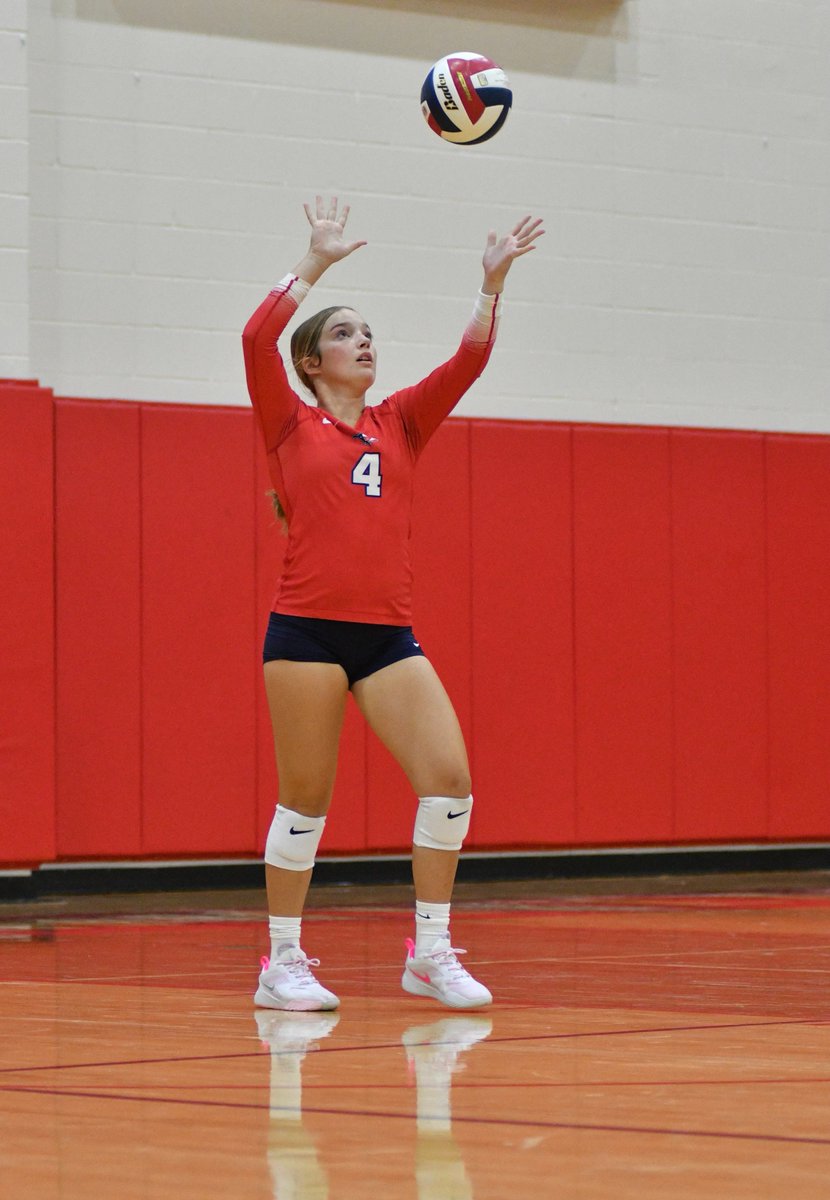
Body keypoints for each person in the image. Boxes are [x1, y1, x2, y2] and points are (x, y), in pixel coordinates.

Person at [243, 196, 543, 1012]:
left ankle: (430, 952)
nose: (363, 340)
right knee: (305, 799)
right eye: (343, 333)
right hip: (304, 632)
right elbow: (252, 338)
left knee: (449, 781)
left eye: (367, 331)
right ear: (311, 362)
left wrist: (490, 286)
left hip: (387, 637)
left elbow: (467, 364)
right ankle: (282, 962)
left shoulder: (401, 422)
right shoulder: (288, 424)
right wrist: (315, 266)